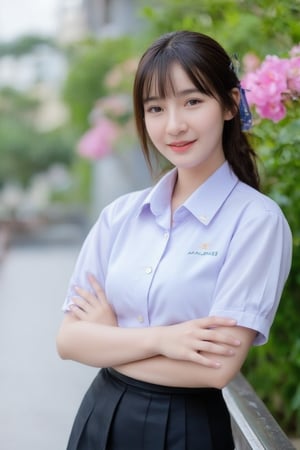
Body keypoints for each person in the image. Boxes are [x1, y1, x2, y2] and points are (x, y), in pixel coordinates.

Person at [56, 30, 292, 450]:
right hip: (100, 419)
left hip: (185, 429)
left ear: (230, 104)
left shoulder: (256, 222)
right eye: (155, 108)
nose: (174, 125)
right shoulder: (120, 216)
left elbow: (216, 369)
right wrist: (165, 340)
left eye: (192, 101)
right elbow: (69, 340)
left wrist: (110, 339)